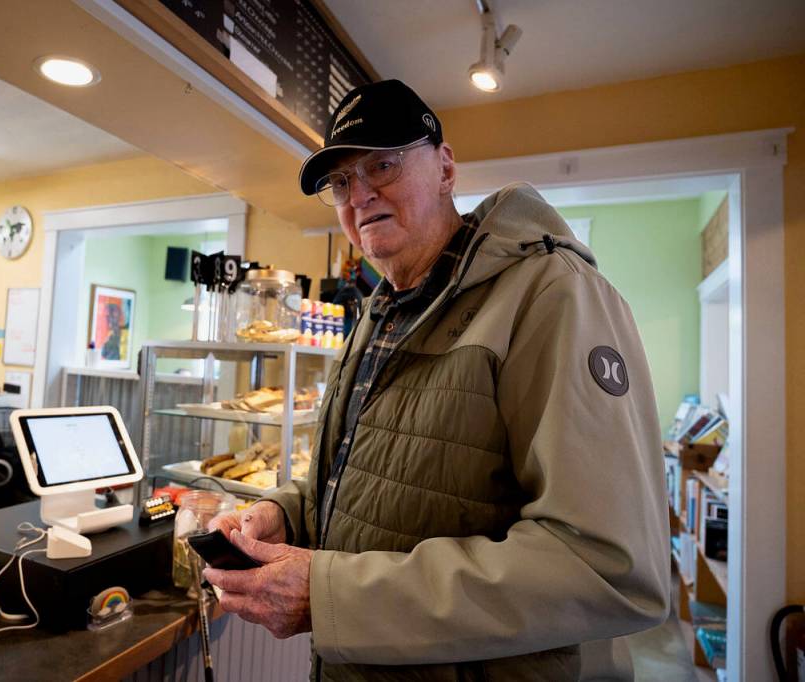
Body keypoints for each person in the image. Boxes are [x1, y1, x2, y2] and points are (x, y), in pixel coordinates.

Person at [205, 79, 669, 681]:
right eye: (341, 181)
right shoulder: (382, 311)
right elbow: (379, 486)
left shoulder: (552, 293)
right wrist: (288, 514)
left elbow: (607, 567)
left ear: (445, 169)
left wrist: (332, 595)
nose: (360, 194)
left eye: (384, 165)